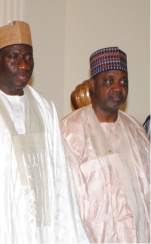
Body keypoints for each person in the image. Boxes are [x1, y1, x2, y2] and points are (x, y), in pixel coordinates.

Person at [0, 21, 88, 242]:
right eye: (14, 57)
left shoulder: (45, 107)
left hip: (42, 233)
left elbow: (61, 176)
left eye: (28, 57)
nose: (23, 64)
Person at [60, 47, 150, 243]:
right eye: (109, 81)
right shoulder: (70, 131)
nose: (117, 88)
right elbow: (63, 200)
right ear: (92, 84)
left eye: (123, 81)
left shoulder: (136, 130)